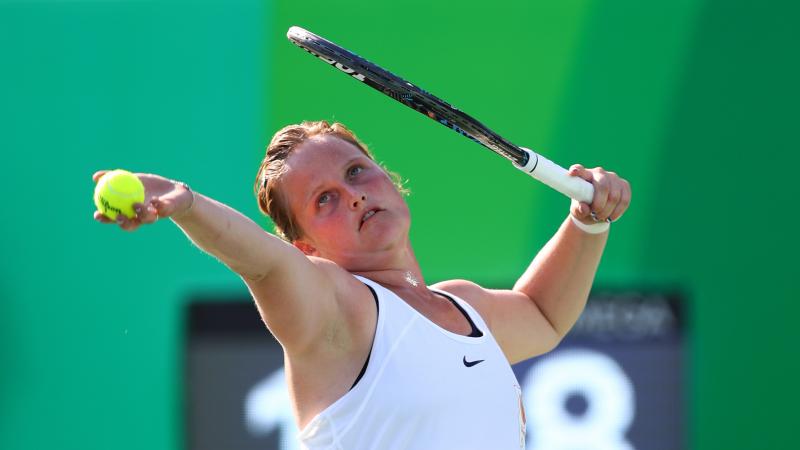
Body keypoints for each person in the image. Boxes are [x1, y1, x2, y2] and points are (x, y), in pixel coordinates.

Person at [93, 120, 631, 449]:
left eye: (355, 173)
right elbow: (263, 264)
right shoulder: (337, 311)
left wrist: (588, 221)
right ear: (305, 248)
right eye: (322, 200)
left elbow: (542, 314)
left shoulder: (465, 306)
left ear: (389, 181)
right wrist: (184, 203)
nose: (352, 195)